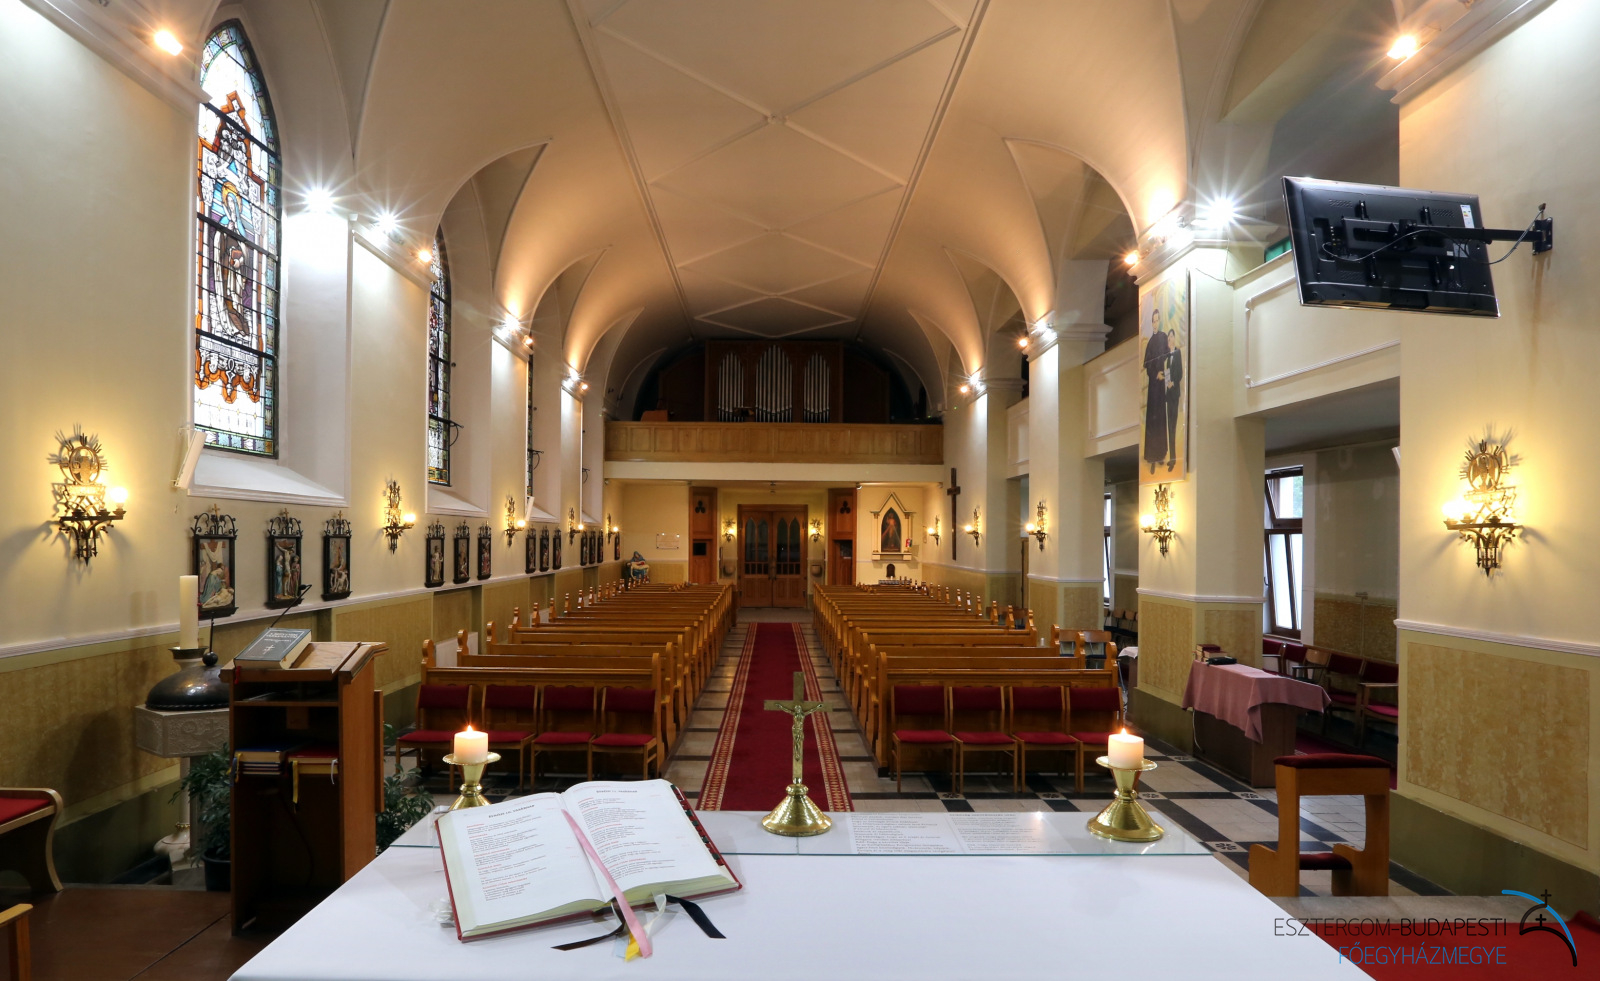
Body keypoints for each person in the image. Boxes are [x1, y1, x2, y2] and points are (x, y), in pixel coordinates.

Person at [1142, 308, 1170, 474]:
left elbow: (1168, 355)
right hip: (1154, 385)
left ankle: (1160, 454)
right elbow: (1147, 366)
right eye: (1153, 320)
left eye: (1157, 320)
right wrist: (1155, 374)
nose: (1155, 323)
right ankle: (1152, 456)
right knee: (1152, 420)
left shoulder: (1163, 337)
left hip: (1161, 384)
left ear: (1159, 321)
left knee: (1160, 418)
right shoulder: (1151, 342)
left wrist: (1163, 373)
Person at [1162, 326, 1184, 472]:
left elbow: (1179, 373)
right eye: (1168, 338)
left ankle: (1174, 458)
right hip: (1168, 395)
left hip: (1174, 393)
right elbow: (1167, 374)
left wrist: (1173, 383)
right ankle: (1171, 457)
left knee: (1173, 426)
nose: (1170, 339)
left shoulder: (1177, 353)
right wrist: (1166, 382)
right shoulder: (1167, 357)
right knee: (1169, 426)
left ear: (1174, 338)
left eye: (1171, 337)